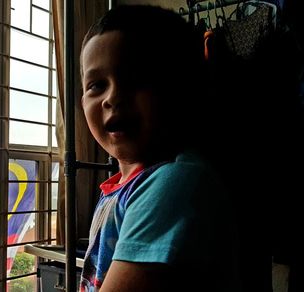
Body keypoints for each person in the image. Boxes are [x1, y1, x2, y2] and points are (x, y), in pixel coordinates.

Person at [78, 5, 240, 292]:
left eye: (136, 80)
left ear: (182, 88)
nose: (112, 97)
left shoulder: (176, 182)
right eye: (97, 85)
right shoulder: (122, 188)